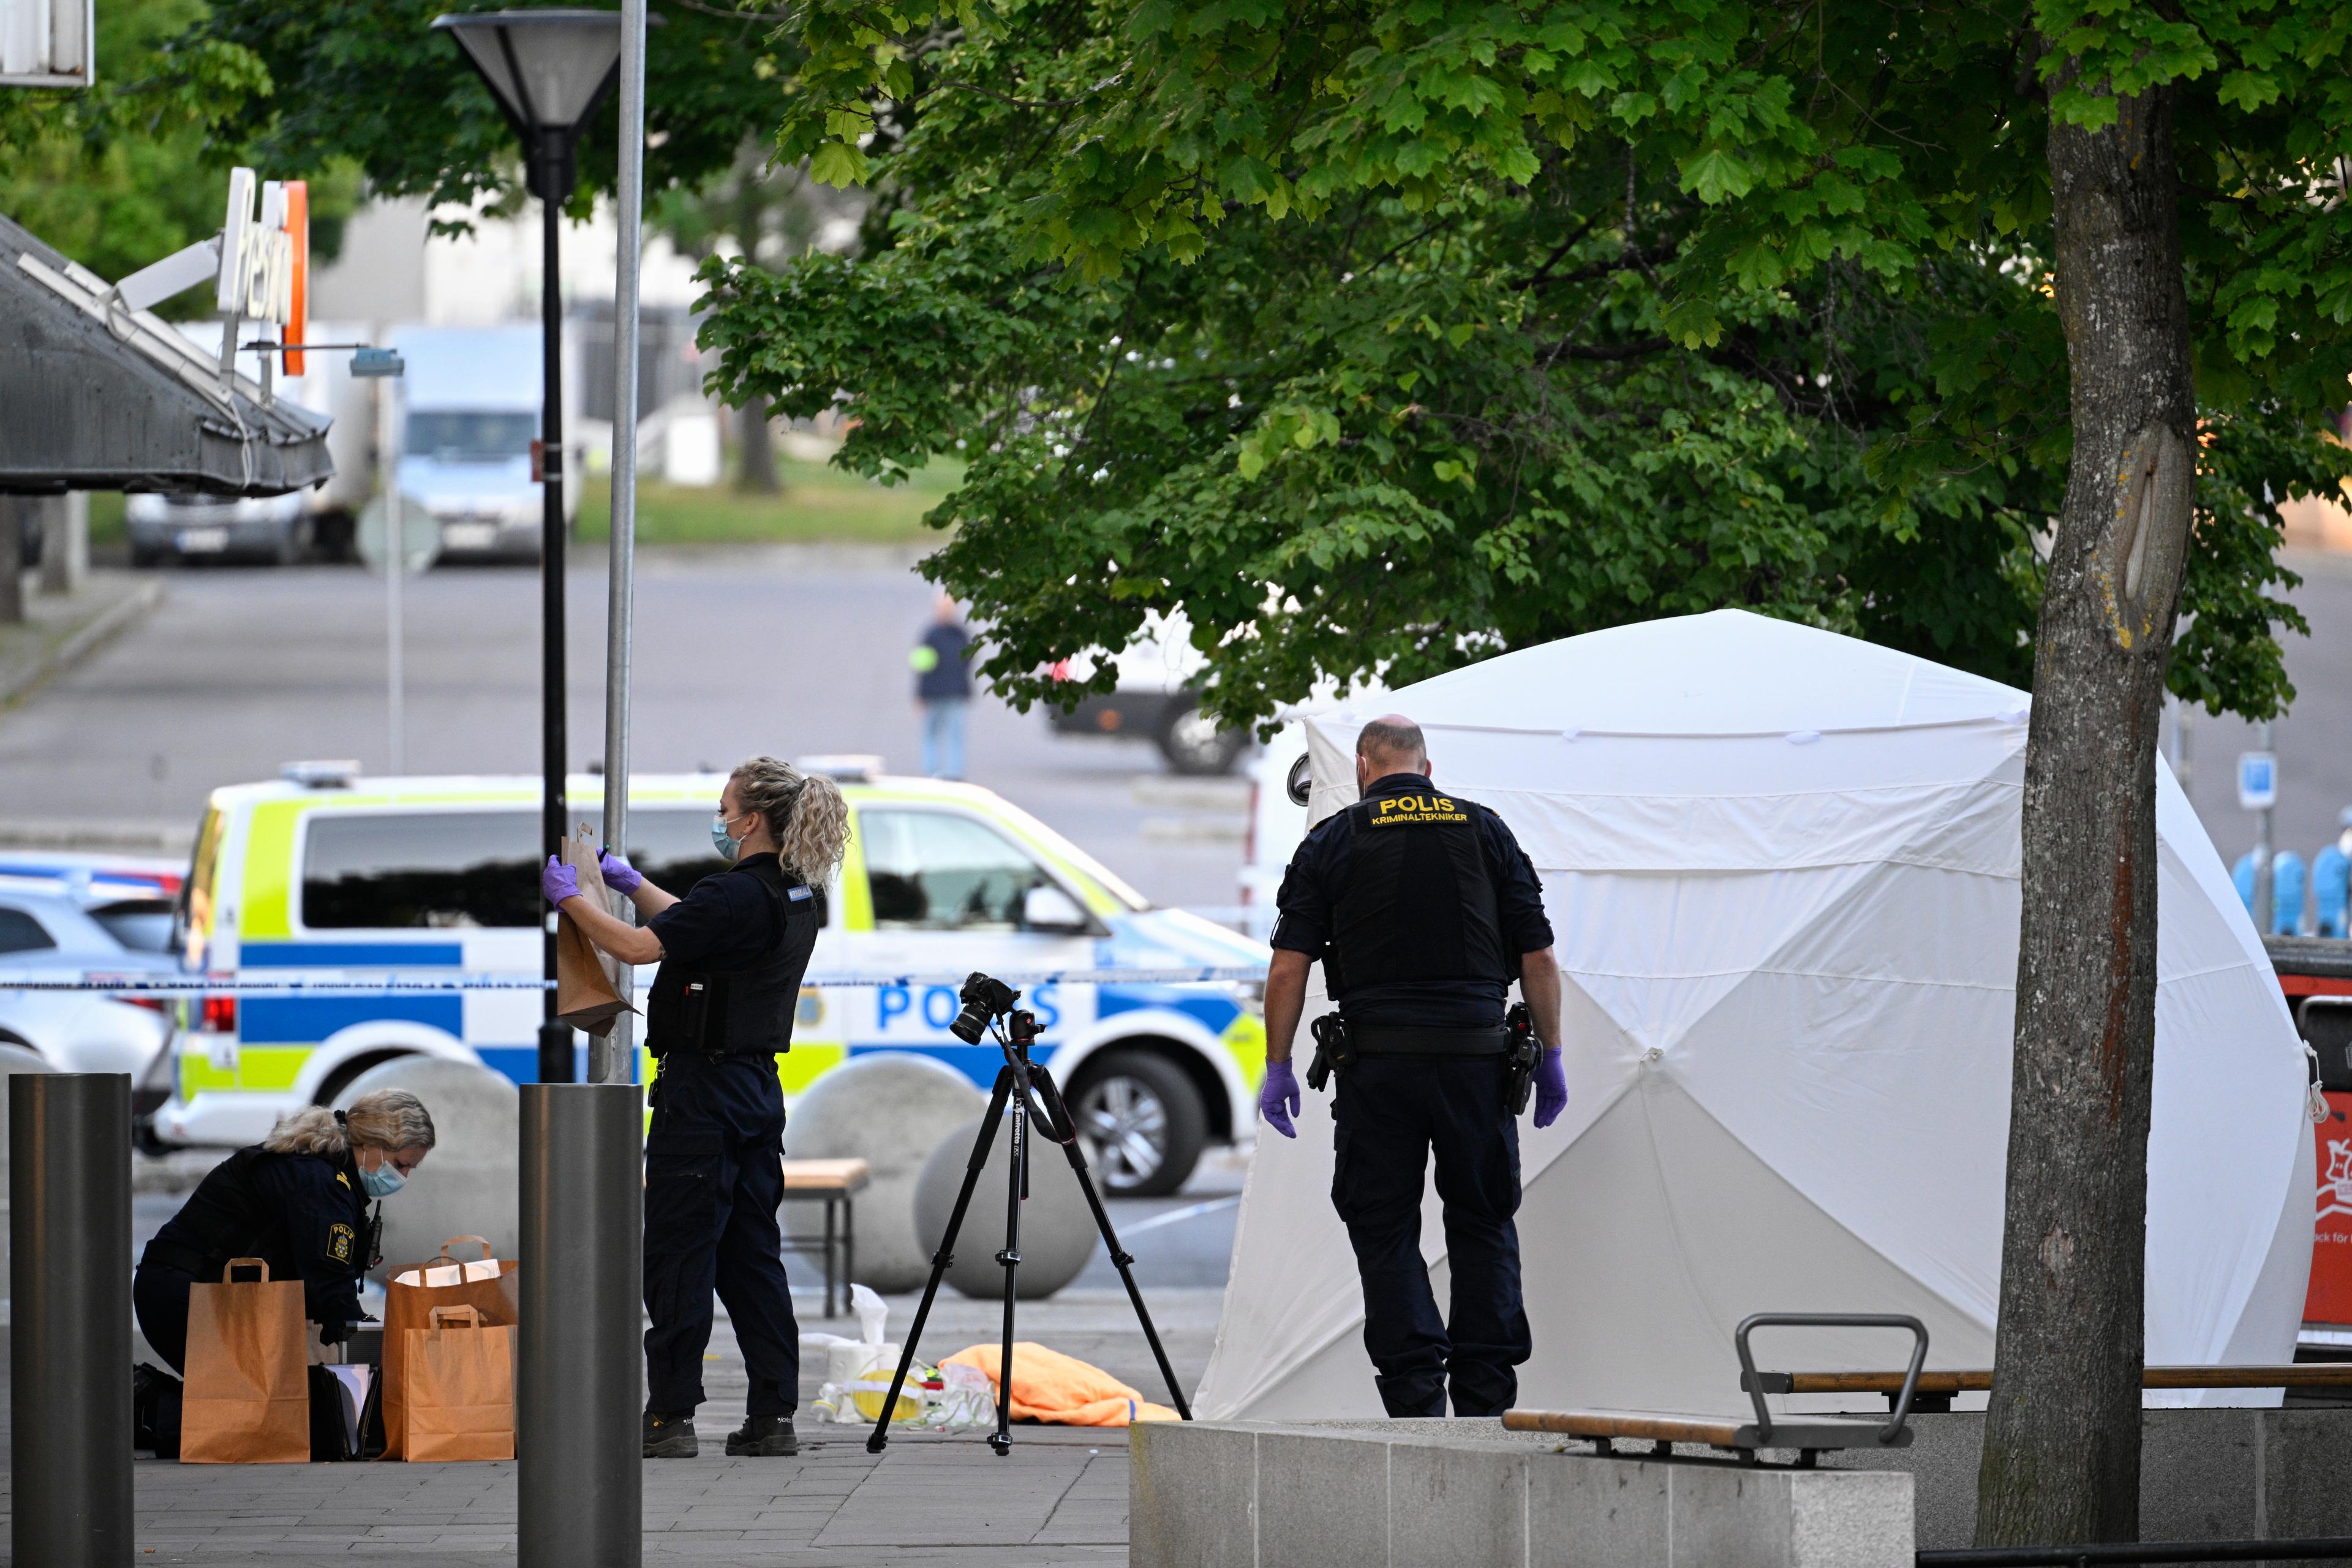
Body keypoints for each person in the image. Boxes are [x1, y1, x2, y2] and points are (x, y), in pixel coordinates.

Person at [1256, 715, 1568, 1418]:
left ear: (1364, 768)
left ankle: (1414, 1392)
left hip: (1378, 1068)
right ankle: (1487, 1399)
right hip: (1476, 1063)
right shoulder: (1485, 831)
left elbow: (1288, 968)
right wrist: (1551, 1055)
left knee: (1384, 1221)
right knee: (1483, 1221)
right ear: (1426, 770)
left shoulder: (1332, 839)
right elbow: (1539, 958)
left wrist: (1277, 1064)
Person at [543, 756, 850, 1459]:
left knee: (680, 1254)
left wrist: (572, 901)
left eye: (726, 806)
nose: (720, 817)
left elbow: (641, 946)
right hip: (755, 1093)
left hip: (700, 1098)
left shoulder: (730, 893)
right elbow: (690, 926)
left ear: (751, 819)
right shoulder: (796, 892)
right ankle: (773, 1415)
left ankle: (671, 1414)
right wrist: (628, 883)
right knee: (752, 1259)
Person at [130, 1089, 438, 1457]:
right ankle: (142, 1404)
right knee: (268, 1420)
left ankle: (145, 1402)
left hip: (194, 1294)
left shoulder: (322, 1167)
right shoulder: (319, 1182)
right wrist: (379, 1363)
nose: (402, 1177)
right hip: (188, 1300)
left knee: (273, 1411)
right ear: (373, 1144)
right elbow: (329, 1287)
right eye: (401, 1164)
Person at [910, 593, 974, 780]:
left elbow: (921, 666)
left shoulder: (931, 634)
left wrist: (919, 696)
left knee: (933, 736)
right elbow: (969, 662)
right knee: (954, 737)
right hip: (954, 693)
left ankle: (933, 774)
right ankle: (954, 775)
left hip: (936, 694)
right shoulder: (961, 634)